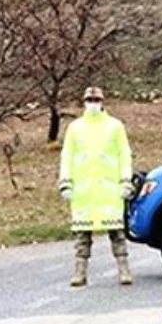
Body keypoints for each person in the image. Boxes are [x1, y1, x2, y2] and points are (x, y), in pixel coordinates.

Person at [59, 87, 134, 287]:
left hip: (109, 190)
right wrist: (65, 182)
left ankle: (123, 269)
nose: (93, 102)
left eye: (96, 99)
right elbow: (67, 156)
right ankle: (80, 271)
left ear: (102, 102)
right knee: (82, 235)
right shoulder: (75, 128)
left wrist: (126, 180)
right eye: (89, 99)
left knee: (116, 232)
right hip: (84, 192)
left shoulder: (115, 126)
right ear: (84, 102)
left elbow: (124, 154)